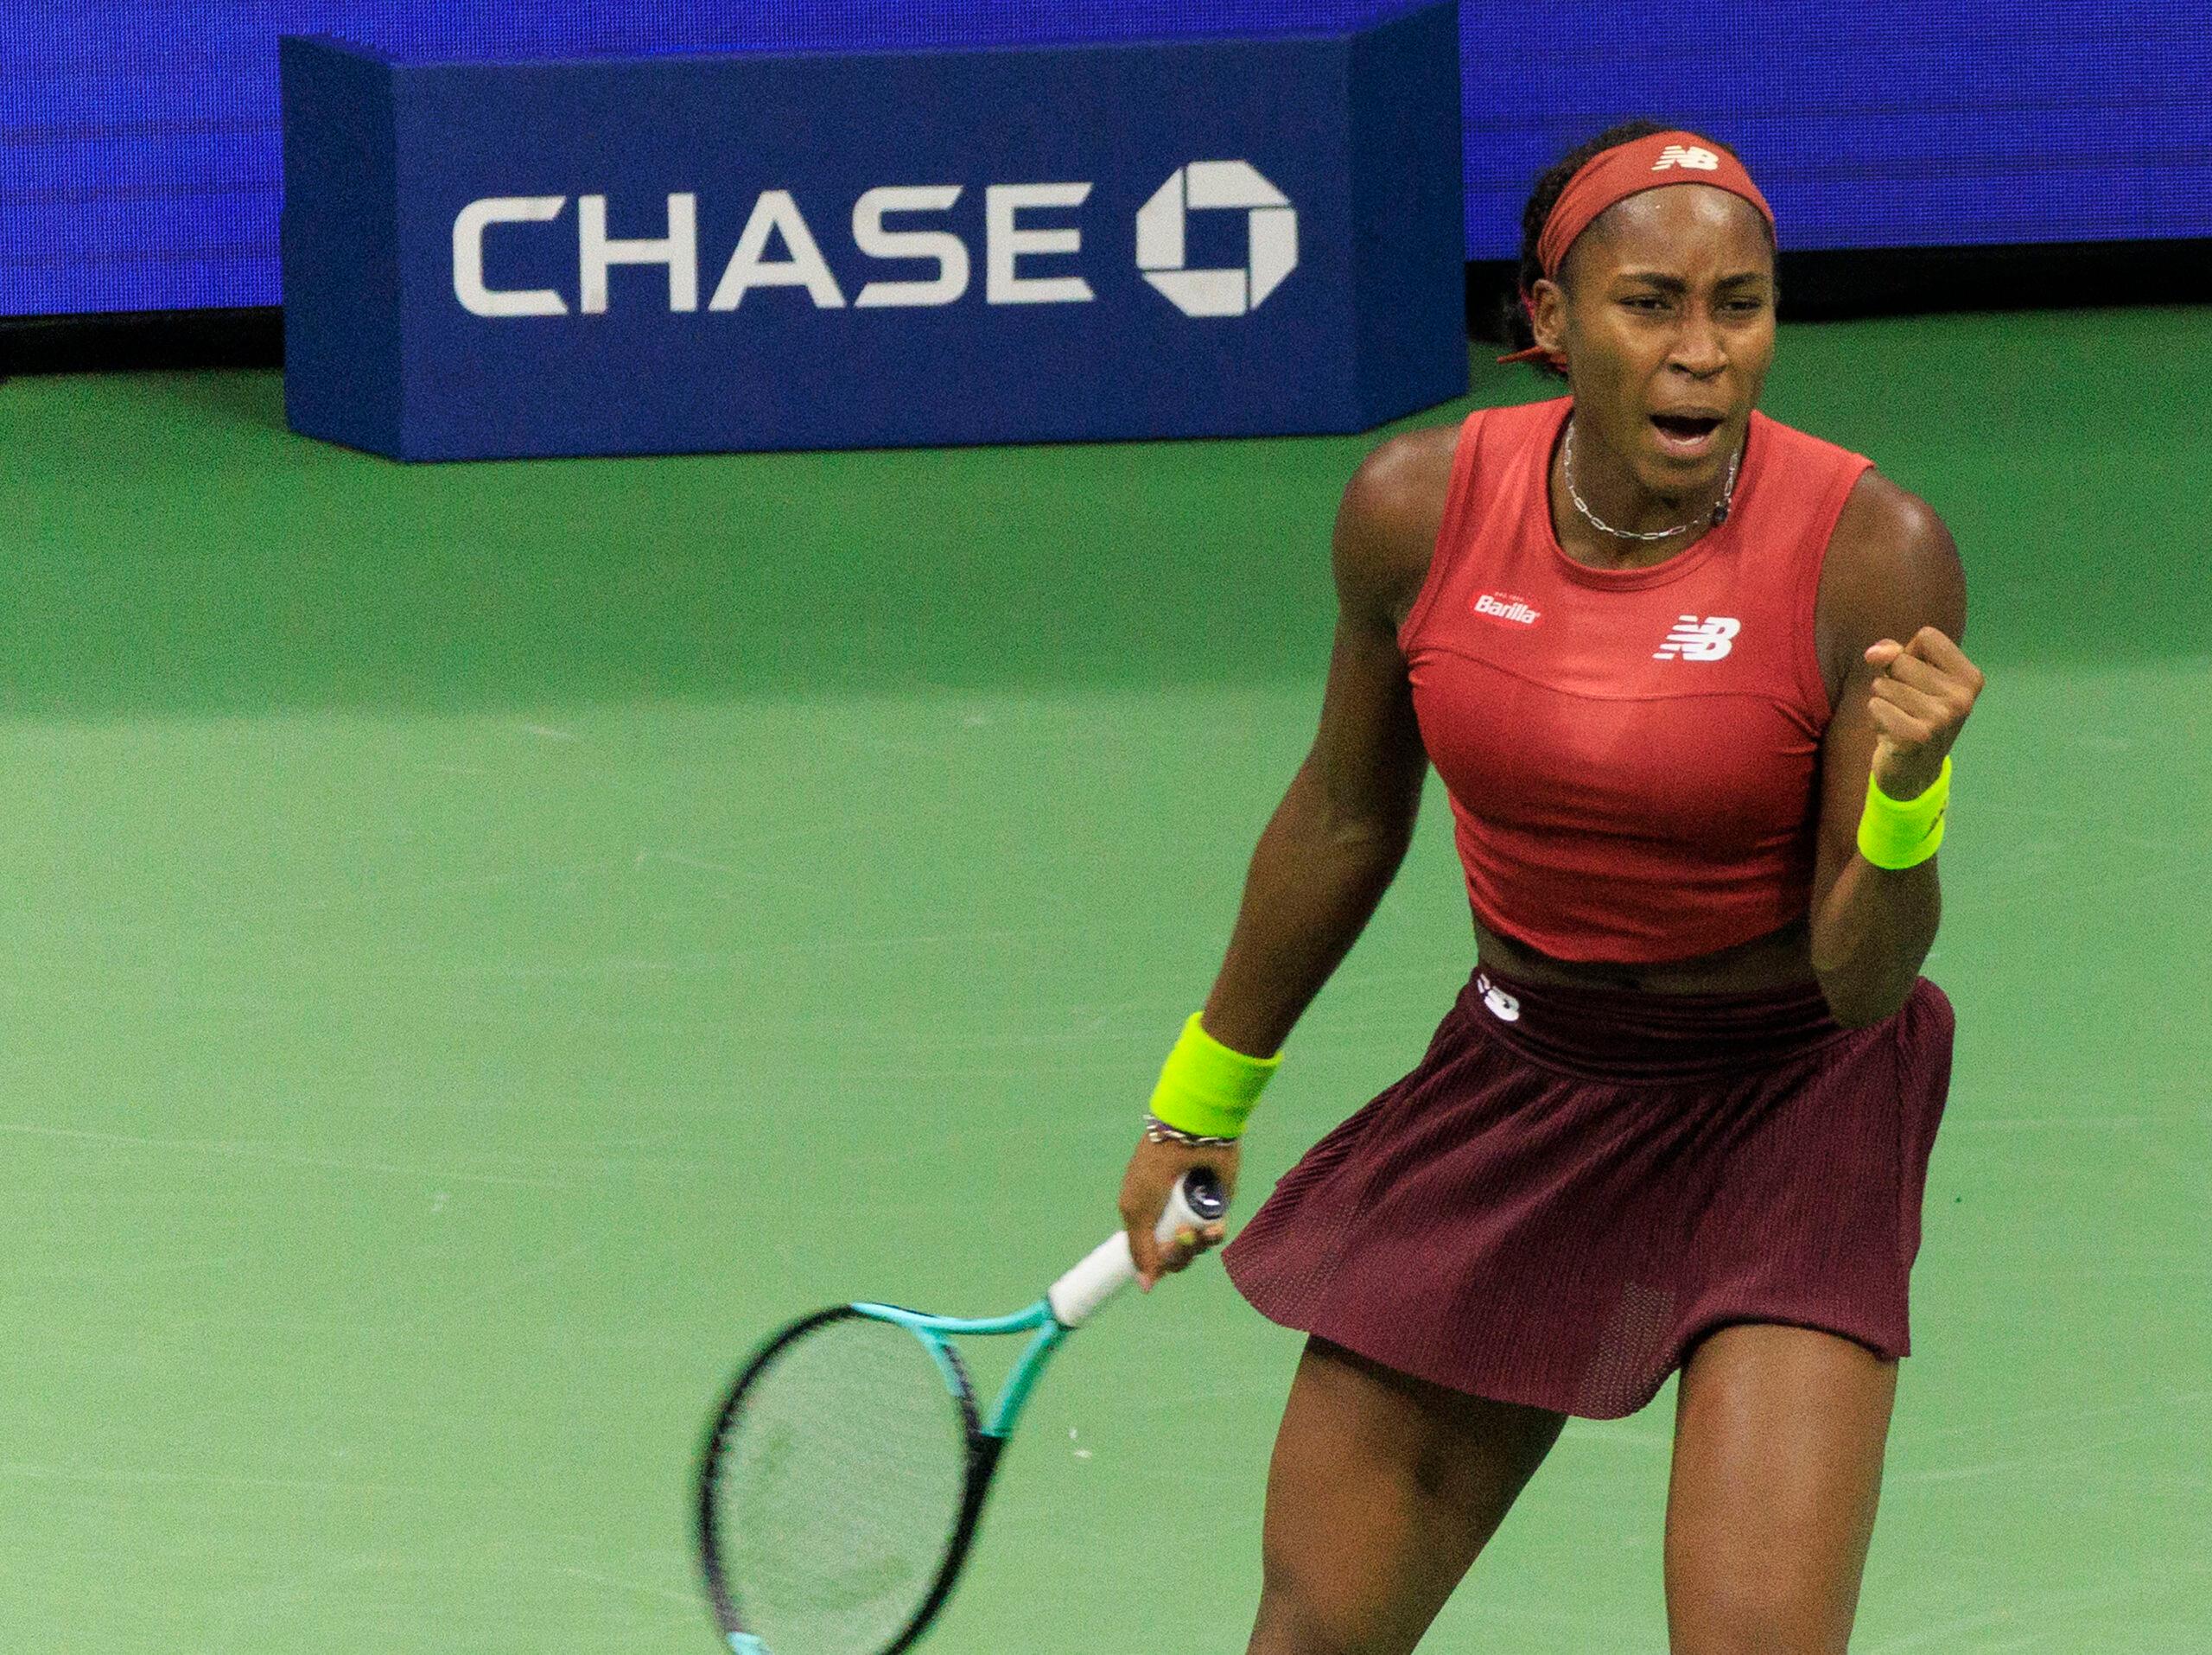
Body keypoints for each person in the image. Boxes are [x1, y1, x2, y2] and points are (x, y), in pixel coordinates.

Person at [1116, 121, 1986, 1655]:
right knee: (1314, 1626)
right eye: (1653, 303)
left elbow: (1863, 979)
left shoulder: (1872, 552)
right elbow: (1341, 814)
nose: (1706, 352)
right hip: (1529, 1078)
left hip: (1795, 1098)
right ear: (1549, 320)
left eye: (1742, 304)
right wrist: (1200, 1102)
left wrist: (1908, 807)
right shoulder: (1415, 507)